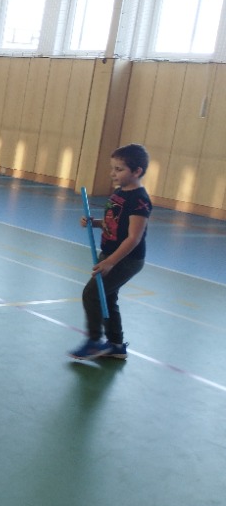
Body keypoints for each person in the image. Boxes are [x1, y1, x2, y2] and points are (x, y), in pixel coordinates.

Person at [69, 144, 152, 360]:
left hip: (125, 259)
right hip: (110, 254)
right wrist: (95, 222)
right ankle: (116, 345)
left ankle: (94, 342)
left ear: (137, 171)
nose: (113, 173)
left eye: (119, 169)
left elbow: (133, 238)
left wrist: (111, 262)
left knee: (92, 294)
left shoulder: (139, 200)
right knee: (107, 297)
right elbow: (113, 222)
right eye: (112, 168)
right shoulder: (119, 193)